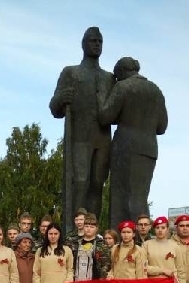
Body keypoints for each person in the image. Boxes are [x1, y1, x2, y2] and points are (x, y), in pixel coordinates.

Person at [49, 27, 114, 220]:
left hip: (102, 138)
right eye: (93, 41)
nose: (97, 44)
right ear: (83, 44)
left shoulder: (109, 78)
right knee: (80, 182)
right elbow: (54, 108)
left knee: (97, 183)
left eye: (100, 41)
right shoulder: (71, 73)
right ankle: (74, 227)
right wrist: (62, 98)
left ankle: (92, 226)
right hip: (79, 137)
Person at [98, 56, 168, 224]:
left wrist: (101, 97)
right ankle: (141, 232)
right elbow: (161, 127)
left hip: (125, 148)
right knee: (140, 196)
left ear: (122, 72)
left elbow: (105, 117)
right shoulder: (155, 90)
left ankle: (121, 234)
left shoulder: (123, 86)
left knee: (121, 198)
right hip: (149, 149)